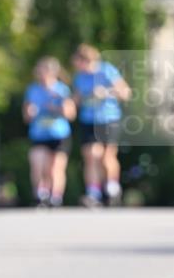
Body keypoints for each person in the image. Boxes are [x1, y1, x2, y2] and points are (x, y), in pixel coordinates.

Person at [71, 44, 131, 207]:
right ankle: (93, 192)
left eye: (78, 63)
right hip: (89, 120)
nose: (77, 67)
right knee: (91, 155)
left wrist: (105, 92)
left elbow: (125, 93)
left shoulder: (107, 71)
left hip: (109, 119)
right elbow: (76, 99)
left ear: (86, 60)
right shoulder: (79, 77)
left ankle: (112, 187)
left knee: (107, 157)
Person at [22, 57, 75, 207]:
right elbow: (26, 116)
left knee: (55, 167)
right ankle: (40, 194)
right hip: (39, 134)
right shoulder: (32, 90)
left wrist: (58, 108)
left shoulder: (62, 90)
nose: (42, 75)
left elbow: (71, 114)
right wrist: (30, 112)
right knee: (38, 163)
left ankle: (56, 197)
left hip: (59, 134)